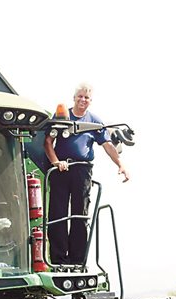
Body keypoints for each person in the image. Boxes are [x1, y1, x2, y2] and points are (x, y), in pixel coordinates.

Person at [43, 82, 129, 265]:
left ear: (90, 101)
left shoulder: (95, 122)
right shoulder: (61, 116)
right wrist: (56, 162)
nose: (83, 100)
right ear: (74, 98)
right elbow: (48, 142)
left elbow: (107, 145)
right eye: (80, 96)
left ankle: (77, 260)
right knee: (57, 213)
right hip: (61, 169)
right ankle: (58, 259)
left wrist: (120, 164)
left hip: (82, 170)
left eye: (86, 97)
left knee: (80, 214)